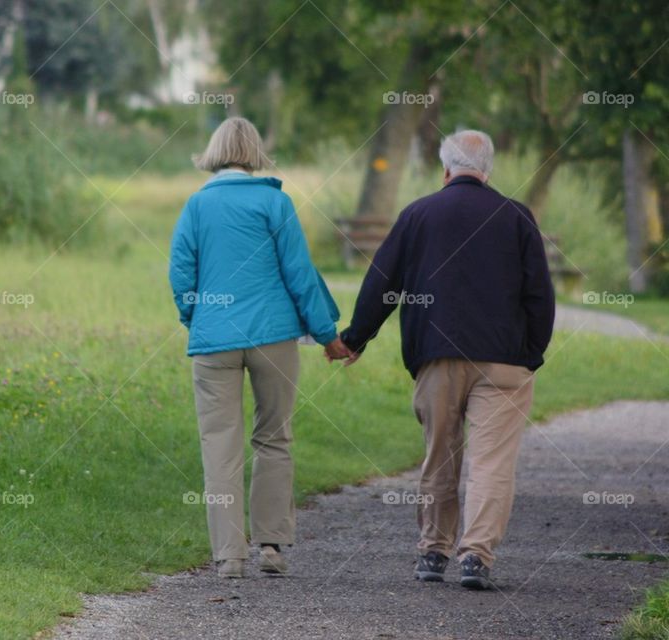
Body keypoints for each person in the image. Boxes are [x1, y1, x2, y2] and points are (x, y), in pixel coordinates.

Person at [334, 130, 555, 590]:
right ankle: (476, 558)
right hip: (505, 361)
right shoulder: (516, 217)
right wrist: (532, 354)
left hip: (436, 357)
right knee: (492, 463)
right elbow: (540, 295)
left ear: (446, 170)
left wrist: (356, 338)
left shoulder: (418, 214)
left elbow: (382, 284)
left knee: (440, 454)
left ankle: (434, 552)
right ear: (488, 170)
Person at [169, 117, 349, 578]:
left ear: (213, 153)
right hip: (273, 339)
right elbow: (300, 274)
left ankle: (229, 555)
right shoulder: (275, 202)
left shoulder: (195, 206)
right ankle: (271, 546)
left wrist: (198, 319)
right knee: (274, 438)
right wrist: (327, 335)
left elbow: (181, 275)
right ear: (254, 153)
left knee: (219, 447)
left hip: (214, 342)